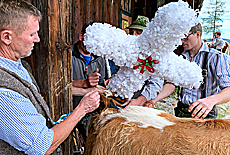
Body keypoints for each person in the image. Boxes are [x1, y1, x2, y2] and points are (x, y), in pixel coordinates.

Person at [0, 0, 100, 154]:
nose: (38, 39)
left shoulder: (20, 65)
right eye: (32, 34)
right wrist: (82, 109)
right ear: (7, 37)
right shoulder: (4, 93)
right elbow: (42, 146)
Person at [145, 23, 230, 119]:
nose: (182, 41)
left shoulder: (216, 57)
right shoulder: (180, 57)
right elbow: (172, 84)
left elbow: (228, 90)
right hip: (181, 111)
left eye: (185, 37)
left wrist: (211, 101)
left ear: (198, 34)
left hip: (204, 114)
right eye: (180, 38)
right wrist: (154, 100)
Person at [71, 20, 108, 141]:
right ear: (81, 36)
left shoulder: (100, 58)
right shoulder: (67, 55)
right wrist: (85, 83)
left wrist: (105, 85)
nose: (93, 45)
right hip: (71, 111)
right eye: (91, 39)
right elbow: (60, 85)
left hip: (92, 113)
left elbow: (101, 83)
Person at [122, 15, 164, 107]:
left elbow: (156, 84)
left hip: (141, 105)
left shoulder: (155, 55)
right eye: (131, 32)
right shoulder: (127, 52)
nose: (133, 35)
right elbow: (120, 72)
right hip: (123, 101)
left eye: (138, 32)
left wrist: (140, 100)